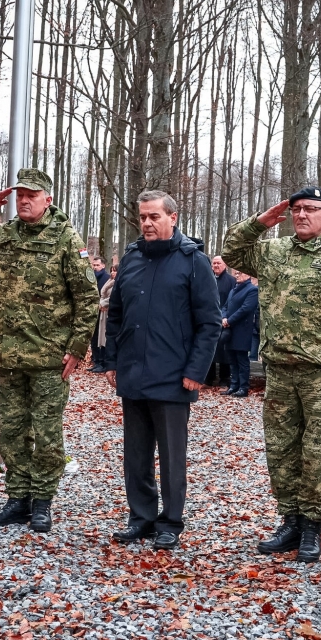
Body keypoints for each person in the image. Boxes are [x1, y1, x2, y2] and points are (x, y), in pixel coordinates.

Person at [222, 186, 321, 563]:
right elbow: (232, 252)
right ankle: (290, 519)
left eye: (311, 208)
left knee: (318, 453)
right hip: (279, 372)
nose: (302, 215)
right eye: (296, 210)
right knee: (281, 451)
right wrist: (260, 222)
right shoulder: (274, 251)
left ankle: (313, 527)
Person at [0, 168, 98, 532]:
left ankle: (43, 501)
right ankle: (17, 498)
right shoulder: (1, 236)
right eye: (20, 195)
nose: (25, 200)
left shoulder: (65, 238)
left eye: (32, 194)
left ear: (48, 199)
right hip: (10, 355)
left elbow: (87, 297)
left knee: (47, 434)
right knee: (12, 433)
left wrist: (77, 348)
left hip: (50, 358)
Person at [106, 190, 220, 551]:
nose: (147, 223)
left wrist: (196, 371)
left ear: (173, 217)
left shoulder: (193, 261)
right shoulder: (132, 258)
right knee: (136, 453)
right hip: (134, 372)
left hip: (173, 374)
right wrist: (112, 360)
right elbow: (116, 314)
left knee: (171, 455)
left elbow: (209, 322)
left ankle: (170, 521)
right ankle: (141, 517)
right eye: (142, 217)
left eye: (154, 216)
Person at [220, 270, 259, 397]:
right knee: (232, 360)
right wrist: (224, 318)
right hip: (230, 330)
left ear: (248, 275)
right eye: (236, 273)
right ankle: (234, 385)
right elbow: (225, 306)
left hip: (242, 330)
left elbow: (245, 309)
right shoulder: (233, 289)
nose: (237, 275)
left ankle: (243, 387)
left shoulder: (252, 290)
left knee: (242, 360)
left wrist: (229, 321)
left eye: (240, 273)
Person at [206, 255, 237, 387]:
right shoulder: (207, 279)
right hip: (208, 319)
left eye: (219, 263)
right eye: (214, 263)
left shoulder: (231, 281)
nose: (216, 266)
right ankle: (209, 378)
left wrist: (226, 317)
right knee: (208, 349)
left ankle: (225, 378)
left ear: (225, 265)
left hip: (225, 320)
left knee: (224, 350)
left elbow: (233, 301)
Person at [89, 256, 110, 373]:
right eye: (94, 265)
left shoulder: (106, 278)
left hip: (102, 312)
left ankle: (102, 362)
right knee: (93, 337)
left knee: (101, 337)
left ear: (103, 265)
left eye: (97, 265)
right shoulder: (91, 278)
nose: (95, 267)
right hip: (93, 311)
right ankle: (96, 360)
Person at [98, 263, 117, 351]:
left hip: (110, 310)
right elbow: (103, 294)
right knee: (102, 335)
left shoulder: (117, 283)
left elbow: (113, 297)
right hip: (103, 310)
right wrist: (101, 303)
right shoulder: (108, 281)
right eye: (111, 271)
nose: (112, 273)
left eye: (115, 271)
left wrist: (102, 303)